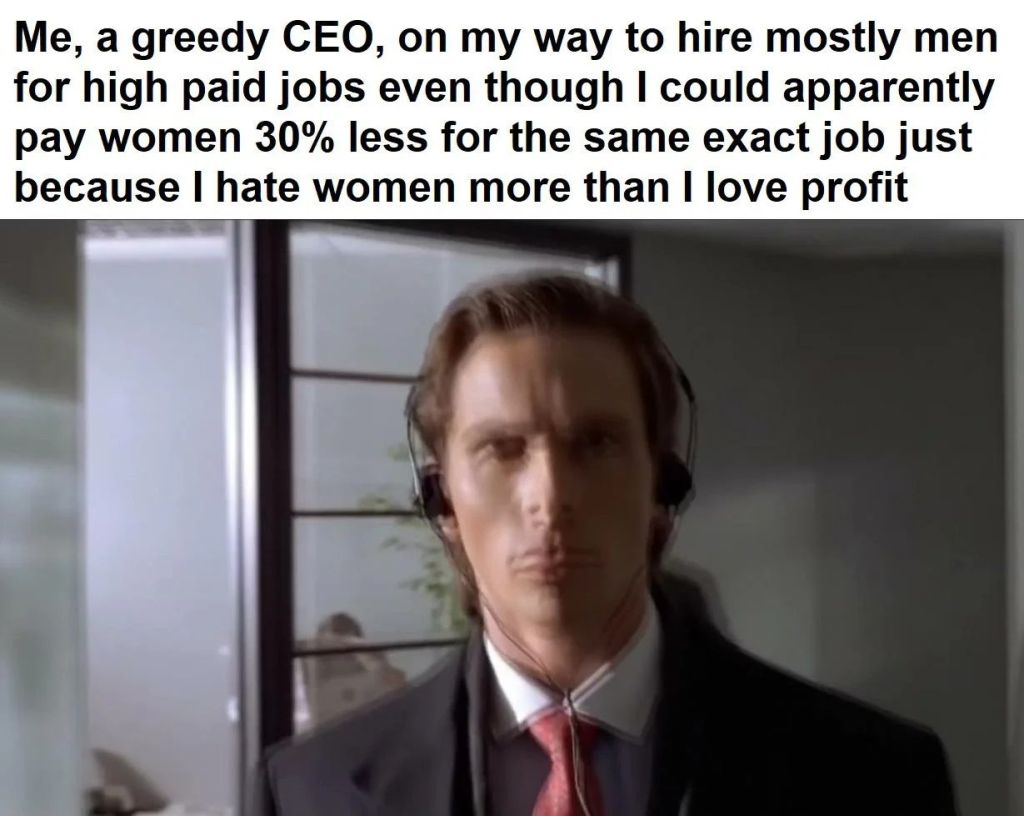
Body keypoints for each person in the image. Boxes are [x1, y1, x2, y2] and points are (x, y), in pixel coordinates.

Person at [254, 273, 958, 815]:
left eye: (595, 444)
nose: (550, 495)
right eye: (502, 448)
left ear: (664, 484)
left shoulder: (875, 775)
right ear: (441, 500)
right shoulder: (307, 791)